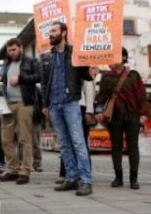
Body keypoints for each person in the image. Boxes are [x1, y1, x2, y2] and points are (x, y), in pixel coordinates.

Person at [39, 21, 96, 196]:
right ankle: (71, 178)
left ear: (64, 33)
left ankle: (86, 180)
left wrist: (92, 71)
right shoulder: (47, 57)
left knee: (78, 142)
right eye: (50, 32)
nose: (51, 34)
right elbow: (44, 83)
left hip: (71, 102)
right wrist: (45, 104)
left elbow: (85, 74)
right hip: (54, 104)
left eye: (54, 31)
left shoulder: (75, 53)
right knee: (63, 145)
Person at [95, 47, 148, 189]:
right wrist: (99, 111)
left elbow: (142, 95)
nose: (112, 59)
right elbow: (100, 97)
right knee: (116, 147)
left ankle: (133, 179)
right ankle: (118, 177)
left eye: (116, 56)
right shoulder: (106, 76)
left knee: (133, 147)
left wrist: (143, 114)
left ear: (124, 58)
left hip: (132, 115)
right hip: (114, 116)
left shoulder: (133, 75)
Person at [0, 38, 41, 185]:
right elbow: (4, 81)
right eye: (9, 50)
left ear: (20, 48)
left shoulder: (31, 61)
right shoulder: (7, 63)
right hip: (7, 104)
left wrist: (21, 78)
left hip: (24, 104)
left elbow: (39, 77)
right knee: (6, 139)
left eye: (14, 50)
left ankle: (25, 171)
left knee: (24, 138)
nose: (11, 53)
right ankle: (13, 169)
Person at [57, 80, 95, 184]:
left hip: (80, 105)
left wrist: (89, 110)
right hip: (64, 104)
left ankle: (85, 173)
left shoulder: (80, 65)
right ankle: (65, 172)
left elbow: (89, 90)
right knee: (66, 141)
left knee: (80, 142)